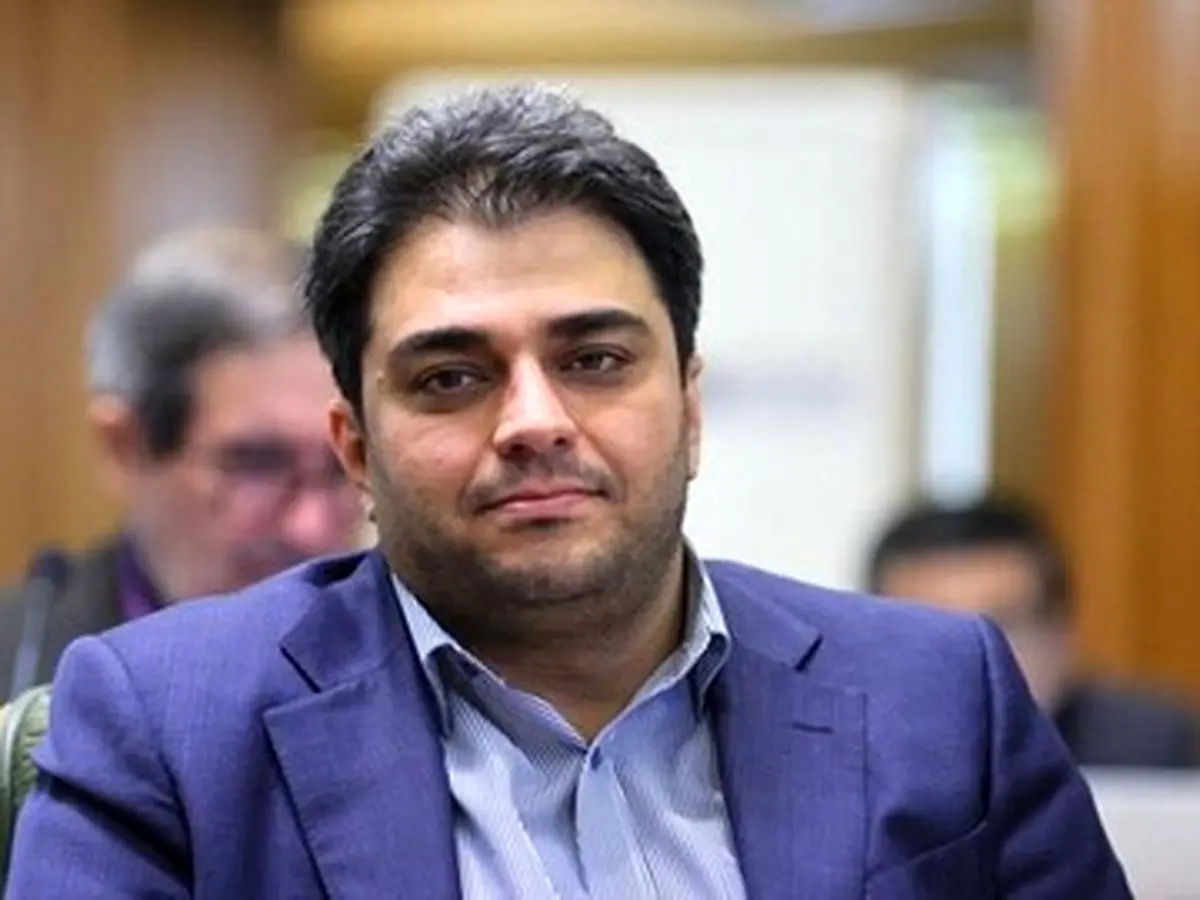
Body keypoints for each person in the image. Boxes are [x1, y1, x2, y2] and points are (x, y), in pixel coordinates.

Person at [7, 85, 1130, 898]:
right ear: (354, 447)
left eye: (595, 359)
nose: (534, 420)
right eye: (452, 377)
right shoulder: (166, 725)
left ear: (689, 405)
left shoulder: (939, 698)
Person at [0, 228, 364, 698]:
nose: (311, 528)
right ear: (125, 447)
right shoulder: (19, 666)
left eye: (342, 465)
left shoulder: (417, 665)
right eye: (258, 465)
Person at [868, 495, 1198, 769]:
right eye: (931, 632)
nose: (967, 662)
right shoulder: (848, 756)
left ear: (1062, 633)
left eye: (1001, 627)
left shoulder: (1155, 746)